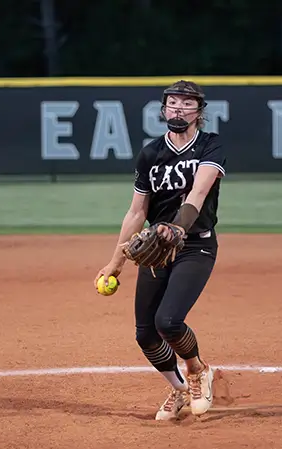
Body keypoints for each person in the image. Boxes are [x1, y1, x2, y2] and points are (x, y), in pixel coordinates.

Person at [95, 80, 226, 420]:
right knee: (145, 334)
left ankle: (198, 371)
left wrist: (178, 227)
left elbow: (197, 194)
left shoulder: (210, 146)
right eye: (172, 102)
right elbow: (137, 212)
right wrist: (115, 263)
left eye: (186, 103)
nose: (178, 108)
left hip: (195, 245)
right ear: (163, 108)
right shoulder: (151, 154)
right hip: (156, 250)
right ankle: (180, 389)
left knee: (168, 321)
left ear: (199, 111)